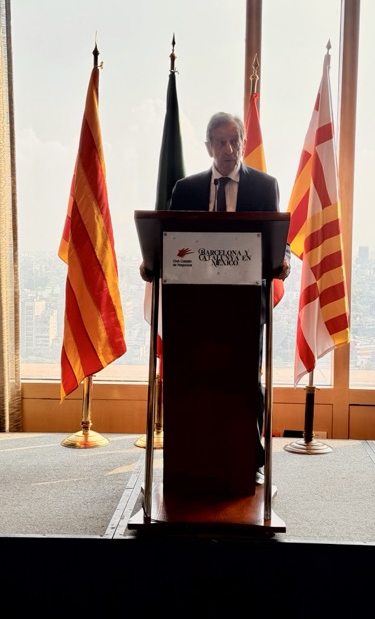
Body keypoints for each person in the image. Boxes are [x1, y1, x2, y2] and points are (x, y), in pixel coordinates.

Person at [140, 111, 291, 485]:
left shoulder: (265, 186)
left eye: (235, 140)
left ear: (243, 143)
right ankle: (191, 458)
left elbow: (278, 238)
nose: (229, 149)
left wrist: (283, 259)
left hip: (245, 306)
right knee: (195, 383)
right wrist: (151, 263)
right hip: (194, 307)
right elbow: (170, 238)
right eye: (221, 142)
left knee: (245, 384)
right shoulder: (186, 189)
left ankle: (249, 462)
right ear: (208, 146)